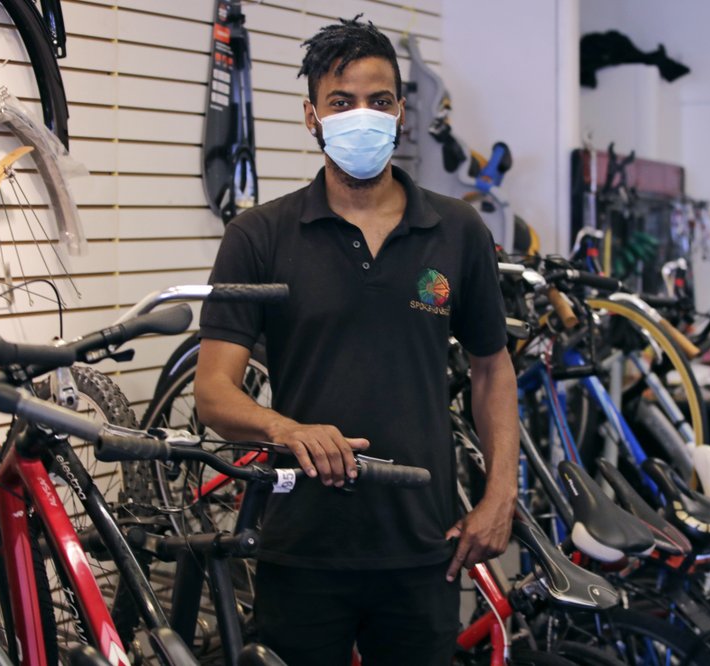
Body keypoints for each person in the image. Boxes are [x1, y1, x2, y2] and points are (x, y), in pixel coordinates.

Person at [194, 16, 519, 666]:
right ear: (312, 116)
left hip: (425, 543)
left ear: (400, 110)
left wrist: (500, 498)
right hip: (301, 547)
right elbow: (213, 394)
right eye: (342, 103)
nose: (361, 116)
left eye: (379, 100)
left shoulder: (456, 231)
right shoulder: (259, 237)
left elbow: (493, 371)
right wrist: (285, 429)